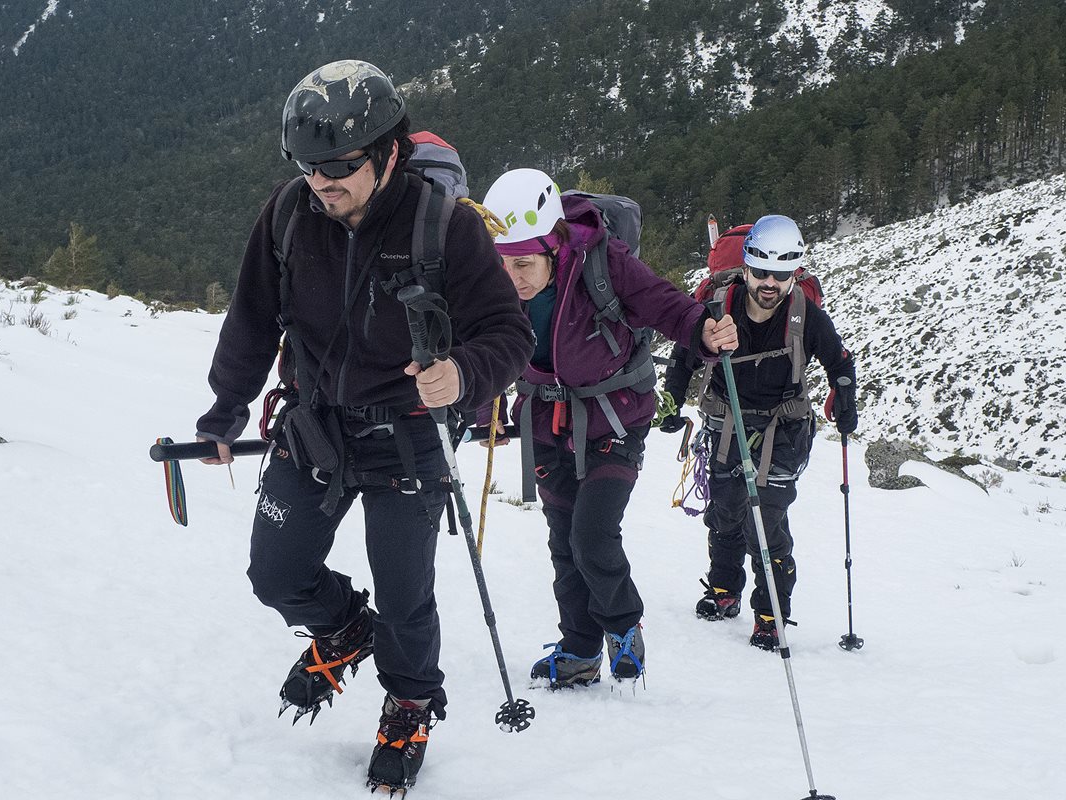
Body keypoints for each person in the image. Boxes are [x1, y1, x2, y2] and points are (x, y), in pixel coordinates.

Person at [194, 60, 533, 792]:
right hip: (313, 425)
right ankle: (345, 627)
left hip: (409, 433)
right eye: (308, 166)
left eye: (340, 166)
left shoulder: (445, 228)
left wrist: (463, 374)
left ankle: (410, 703)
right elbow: (252, 319)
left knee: (405, 590)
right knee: (275, 572)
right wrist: (224, 409)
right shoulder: (287, 215)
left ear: (387, 151)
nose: (322, 181)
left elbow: (509, 335)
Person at [478, 169, 739, 689]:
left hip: (615, 415)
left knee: (591, 534)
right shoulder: (500, 277)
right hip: (544, 422)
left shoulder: (601, 260)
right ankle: (578, 650)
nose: (514, 279)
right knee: (562, 542)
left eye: (525, 265)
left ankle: (622, 626)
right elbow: (482, 344)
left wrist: (702, 329)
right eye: (503, 265)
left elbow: (659, 300)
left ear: (553, 243)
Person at [659, 214, 857, 651]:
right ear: (746, 267)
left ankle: (771, 613)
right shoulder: (717, 308)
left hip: (784, 430)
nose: (770, 282)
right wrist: (671, 401)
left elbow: (840, 362)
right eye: (762, 272)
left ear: (794, 275)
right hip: (725, 423)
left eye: (782, 274)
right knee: (725, 513)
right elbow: (683, 356)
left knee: (765, 521)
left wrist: (845, 398)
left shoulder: (807, 316)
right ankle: (723, 588)